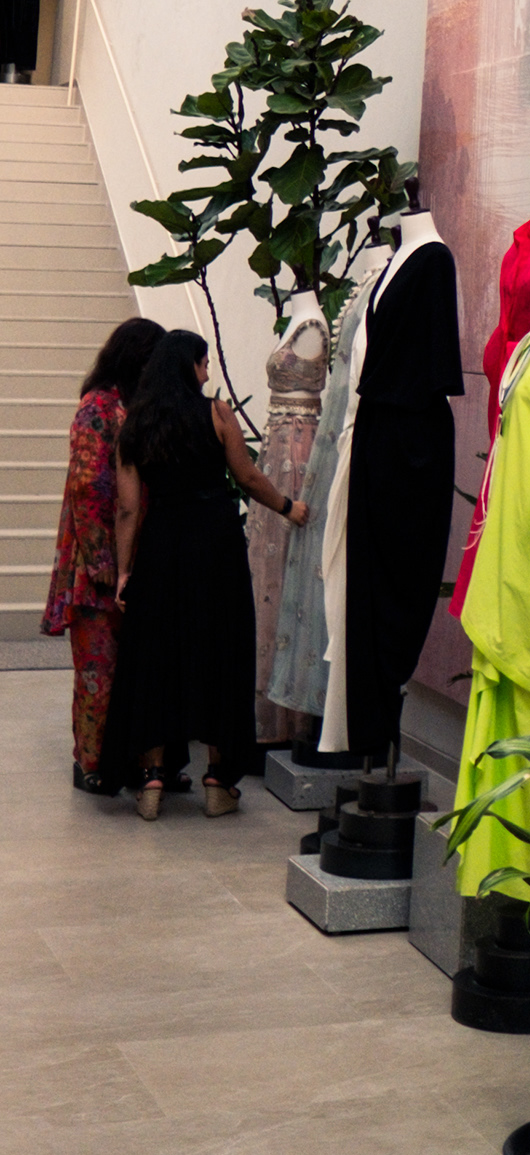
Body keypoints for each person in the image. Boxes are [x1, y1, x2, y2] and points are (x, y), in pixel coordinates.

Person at [103, 330, 308, 821]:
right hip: (215, 544)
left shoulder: (134, 426)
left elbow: (127, 508)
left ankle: (152, 778)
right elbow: (247, 476)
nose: (208, 372)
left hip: (161, 546)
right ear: (188, 367)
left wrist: (125, 571)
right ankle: (218, 779)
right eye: (203, 363)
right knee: (220, 650)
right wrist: (289, 507)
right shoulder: (216, 413)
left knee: (156, 655)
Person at [40, 315, 165, 792]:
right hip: (100, 563)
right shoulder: (98, 406)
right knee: (97, 669)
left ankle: (125, 759)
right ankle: (91, 763)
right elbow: (87, 486)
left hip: (131, 555)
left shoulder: (131, 405)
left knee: (125, 670)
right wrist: (102, 561)